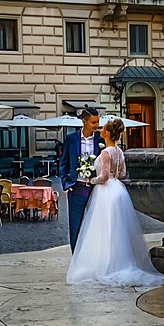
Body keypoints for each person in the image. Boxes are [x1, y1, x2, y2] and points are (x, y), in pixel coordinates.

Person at [66, 119, 164, 287]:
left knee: (103, 228)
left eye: (102, 129)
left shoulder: (106, 153)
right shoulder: (119, 151)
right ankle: (120, 260)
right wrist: (112, 177)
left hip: (104, 191)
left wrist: (90, 179)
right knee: (117, 228)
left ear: (107, 133)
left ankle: (105, 263)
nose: (100, 130)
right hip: (117, 189)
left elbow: (103, 177)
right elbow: (123, 173)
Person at [59, 107, 103, 251]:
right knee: (75, 225)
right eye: (93, 122)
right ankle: (76, 259)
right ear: (83, 122)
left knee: (95, 226)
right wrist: (66, 183)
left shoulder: (101, 139)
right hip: (76, 187)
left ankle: (92, 256)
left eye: (98, 122)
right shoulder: (71, 139)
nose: (96, 125)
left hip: (96, 189)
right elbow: (63, 162)